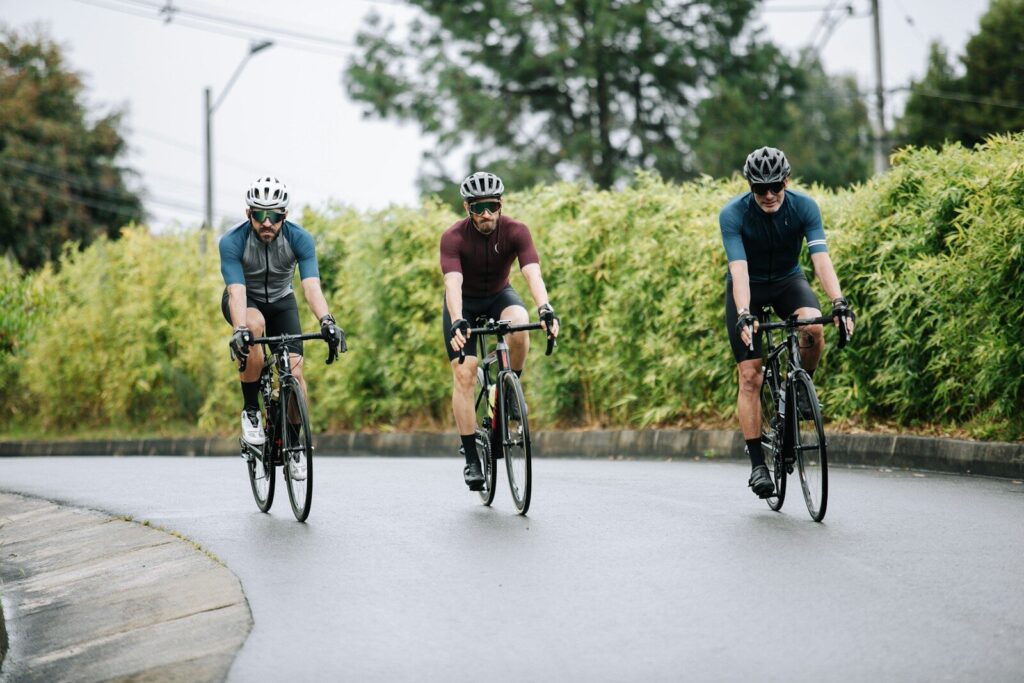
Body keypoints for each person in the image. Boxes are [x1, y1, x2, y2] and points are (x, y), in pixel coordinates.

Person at [719, 147, 856, 498]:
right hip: (747, 287)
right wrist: (746, 313)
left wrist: (838, 302)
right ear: (749, 186)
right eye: (759, 188)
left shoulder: (804, 207)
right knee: (750, 375)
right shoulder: (733, 214)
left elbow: (820, 259)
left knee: (812, 327)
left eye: (775, 186)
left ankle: (799, 386)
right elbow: (739, 269)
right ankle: (757, 466)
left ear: (786, 182)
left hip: (787, 282)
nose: (768, 195)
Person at [219, 175, 346, 480]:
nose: (267, 222)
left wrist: (327, 320)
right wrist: (239, 329)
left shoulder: (299, 238)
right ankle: (251, 410)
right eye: (260, 215)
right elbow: (236, 290)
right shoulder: (232, 241)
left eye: (274, 215)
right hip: (245, 303)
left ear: (284, 215)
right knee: (254, 325)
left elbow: (311, 286)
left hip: (282, 302)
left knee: (296, 373)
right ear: (249, 213)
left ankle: (293, 444)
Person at [440, 171, 560, 490]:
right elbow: (453, 283)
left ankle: (508, 389)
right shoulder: (453, 237)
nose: (486, 214)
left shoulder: (516, 231)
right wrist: (456, 320)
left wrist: (545, 308)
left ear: (501, 204)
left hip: (498, 296)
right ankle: (470, 459)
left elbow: (532, 273)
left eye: (491, 206)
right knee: (465, 373)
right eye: (478, 208)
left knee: (520, 323)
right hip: (463, 305)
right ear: (467, 208)